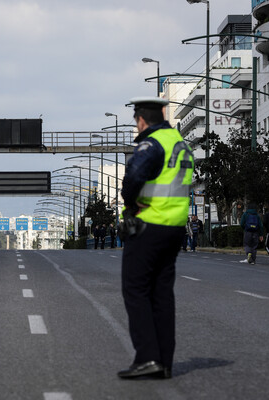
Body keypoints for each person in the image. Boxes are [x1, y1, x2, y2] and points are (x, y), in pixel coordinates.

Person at [117, 97, 194, 380]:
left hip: (150, 224)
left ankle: (147, 357)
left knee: (135, 290)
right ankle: (164, 362)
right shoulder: (180, 143)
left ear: (141, 120)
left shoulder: (152, 143)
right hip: (175, 228)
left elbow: (134, 175)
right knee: (162, 294)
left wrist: (129, 203)